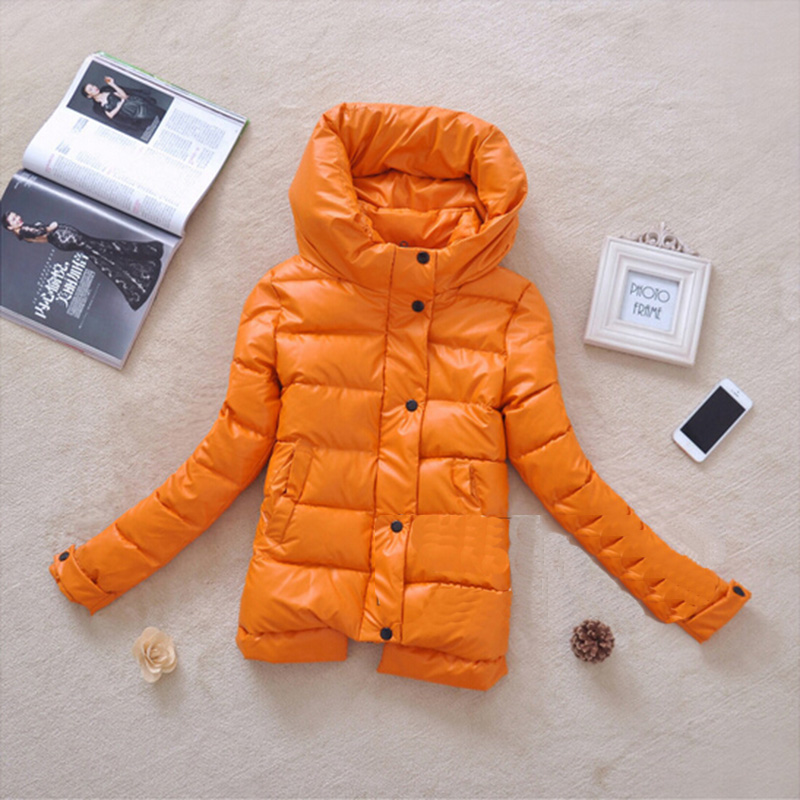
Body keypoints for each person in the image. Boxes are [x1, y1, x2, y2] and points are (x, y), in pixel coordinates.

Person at [2, 211, 163, 311]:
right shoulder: (24, 230)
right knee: (104, 253)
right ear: (10, 227)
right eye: (14, 219)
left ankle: (144, 261)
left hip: (65, 239)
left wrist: (53, 233)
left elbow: (42, 237)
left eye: (16, 216)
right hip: (67, 238)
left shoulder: (22, 234)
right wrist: (52, 227)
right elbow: (40, 231)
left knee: (103, 252)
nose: (18, 218)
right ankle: (140, 275)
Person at [81, 76, 162, 136]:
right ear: (89, 96)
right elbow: (110, 117)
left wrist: (112, 84)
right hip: (131, 118)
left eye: (93, 86)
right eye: (90, 89)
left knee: (160, 115)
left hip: (136, 106)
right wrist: (129, 126)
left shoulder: (106, 89)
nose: (94, 88)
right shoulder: (97, 108)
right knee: (154, 130)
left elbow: (125, 96)